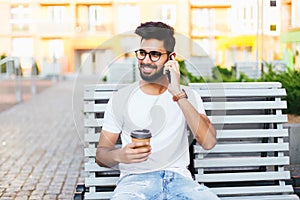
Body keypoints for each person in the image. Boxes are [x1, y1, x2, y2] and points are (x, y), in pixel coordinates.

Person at [96, 21, 219, 200]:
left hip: (179, 181)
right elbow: (101, 154)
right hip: (135, 182)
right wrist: (120, 155)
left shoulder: (188, 96)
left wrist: (178, 94)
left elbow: (208, 142)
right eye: (142, 53)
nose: (146, 60)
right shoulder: (121, 99)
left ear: (171, 58)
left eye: (154, 55)